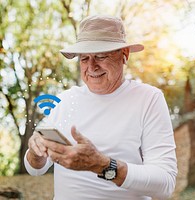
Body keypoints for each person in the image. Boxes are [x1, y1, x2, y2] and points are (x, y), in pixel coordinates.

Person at [24, 15, 177, 200]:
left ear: (125, 55)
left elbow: (165, 184)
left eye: (101, 56)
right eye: (84, 58)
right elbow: (35, 169)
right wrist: (36, 152)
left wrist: (102, 165)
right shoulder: (64, 100)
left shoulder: (148, 99)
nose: (91, 66)